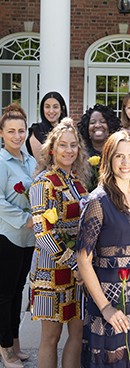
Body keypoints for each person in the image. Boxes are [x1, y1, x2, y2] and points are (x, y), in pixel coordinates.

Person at [76, 130, 130, 367]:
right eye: (119, 156)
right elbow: (83, 260)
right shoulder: (98, 201)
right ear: (109, 159)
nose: (126, 163)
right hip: (109, 297)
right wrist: (105, 308)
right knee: (112, 360)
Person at [29, 118, 90, 368]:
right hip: (50, 270)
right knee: (51, 337)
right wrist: (76, 265)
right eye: (63, 145)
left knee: (77, 334)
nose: (68, 150)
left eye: (73, 145)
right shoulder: (43, 182)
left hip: (77, 272)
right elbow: (43, 234)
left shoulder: (78, 182)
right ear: (52, 149)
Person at [0, 103, 36, 368]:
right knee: (4, 294)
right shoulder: (2, 162)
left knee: (17, 293)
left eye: (21, 130)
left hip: (28, 239)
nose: (17, 136)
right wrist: (26, 219)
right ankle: (5, 348)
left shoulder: (31, 160)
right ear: (2, 133)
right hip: (8, 236)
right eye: (11, 131)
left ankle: (15, 342)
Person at [26, 91, 68, 160]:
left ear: (62, 109)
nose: (51, 111)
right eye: (47, 107)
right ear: (43, 109)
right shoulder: (36, 131)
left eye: (55, 107)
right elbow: (41, 162)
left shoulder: (69, 130)